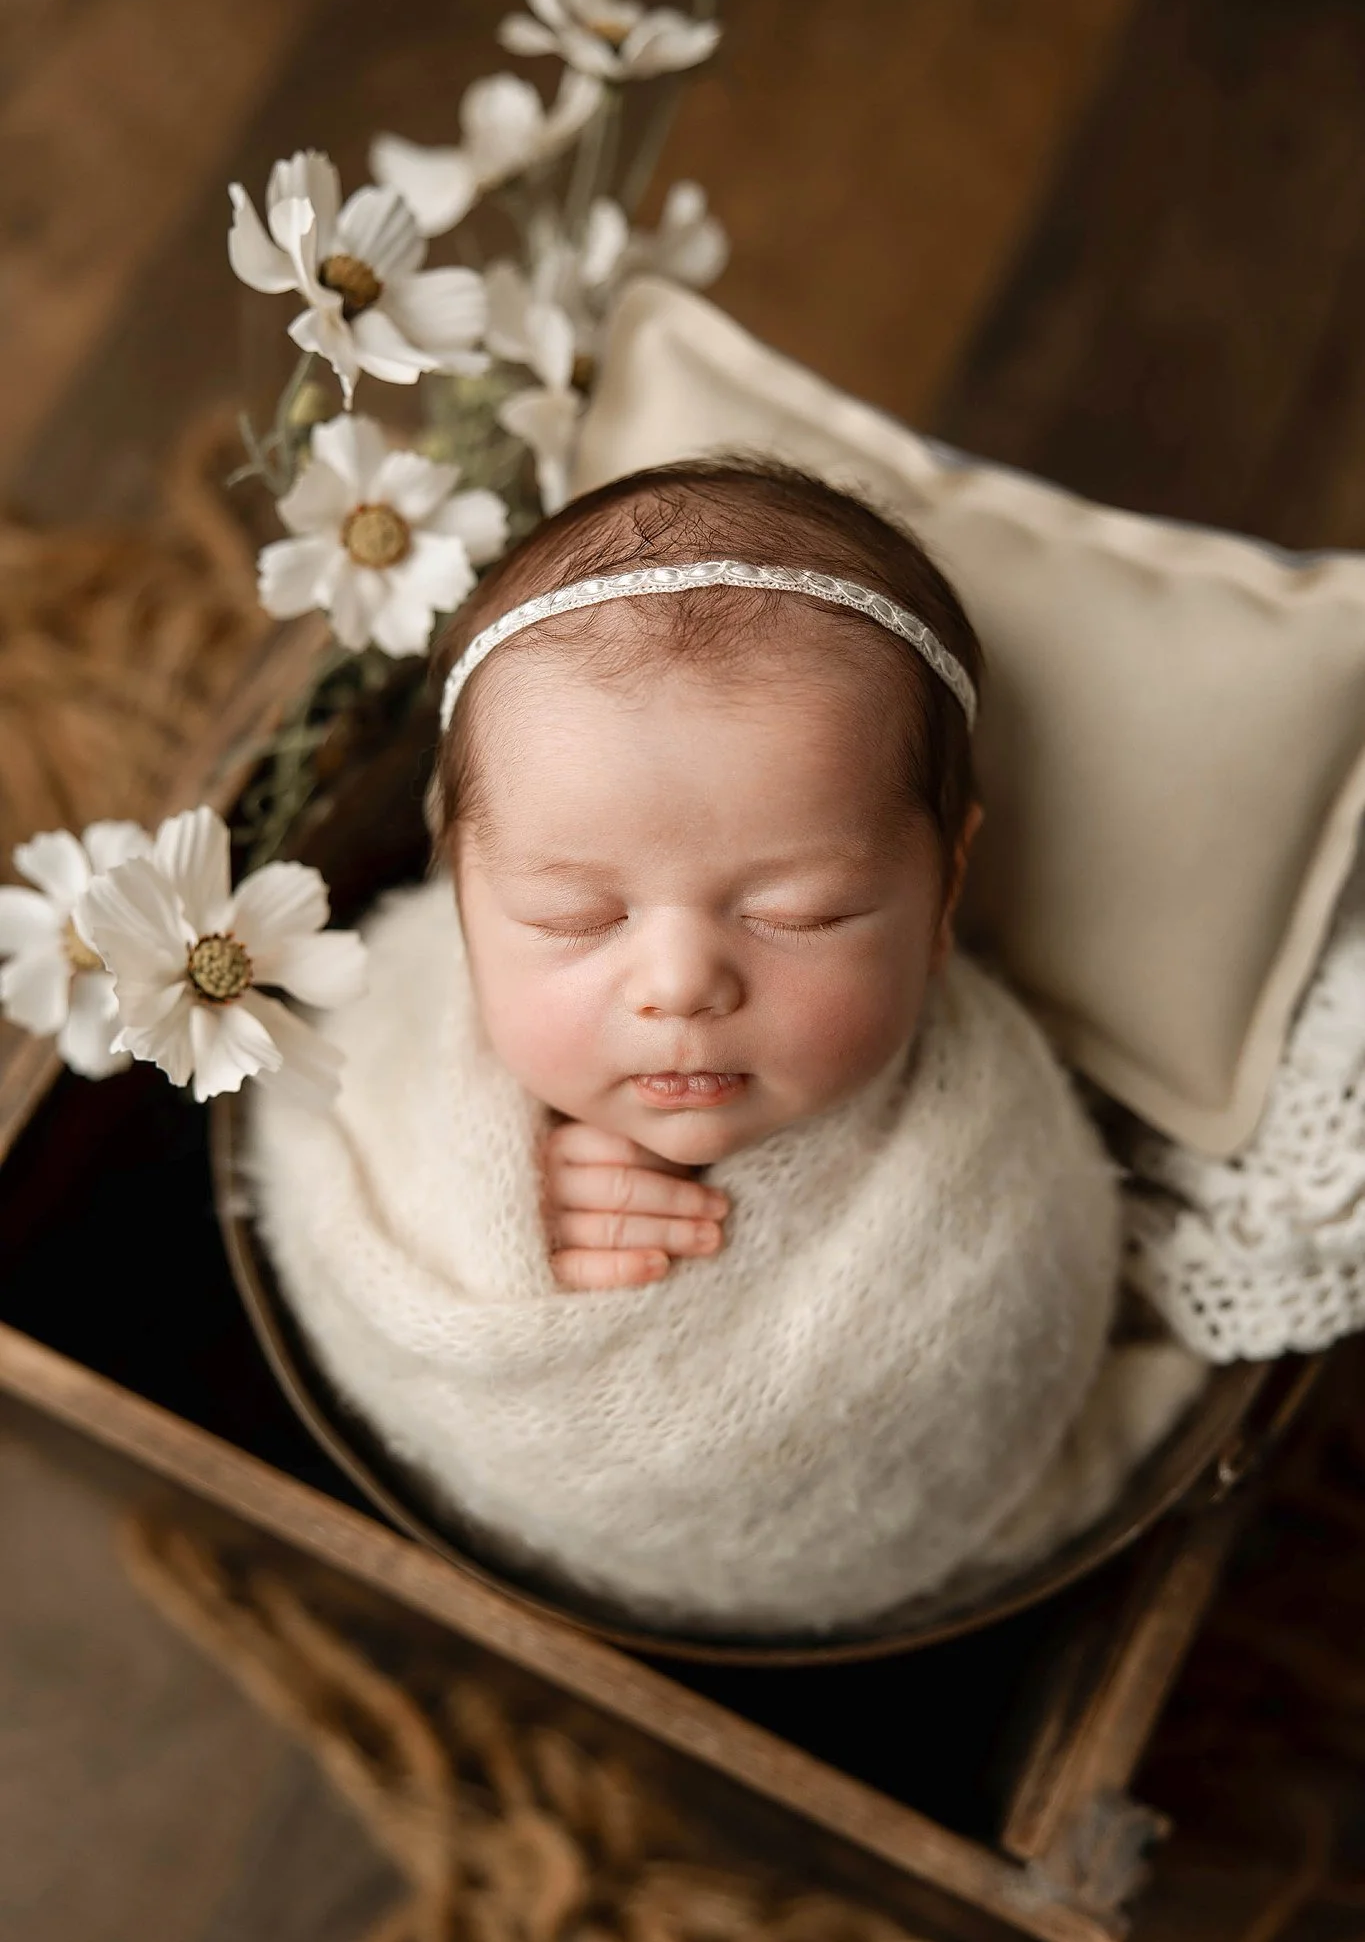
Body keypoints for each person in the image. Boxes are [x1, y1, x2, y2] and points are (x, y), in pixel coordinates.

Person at [252, 460, 1202, 1639]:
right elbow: (333, 1127)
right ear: (459, 888)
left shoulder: (993, 1174)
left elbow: (1007, 1347)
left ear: (944, 885)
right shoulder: (401, 1024)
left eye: (798, 911)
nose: (680, 983)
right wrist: (488, 1196)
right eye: (574, 918)